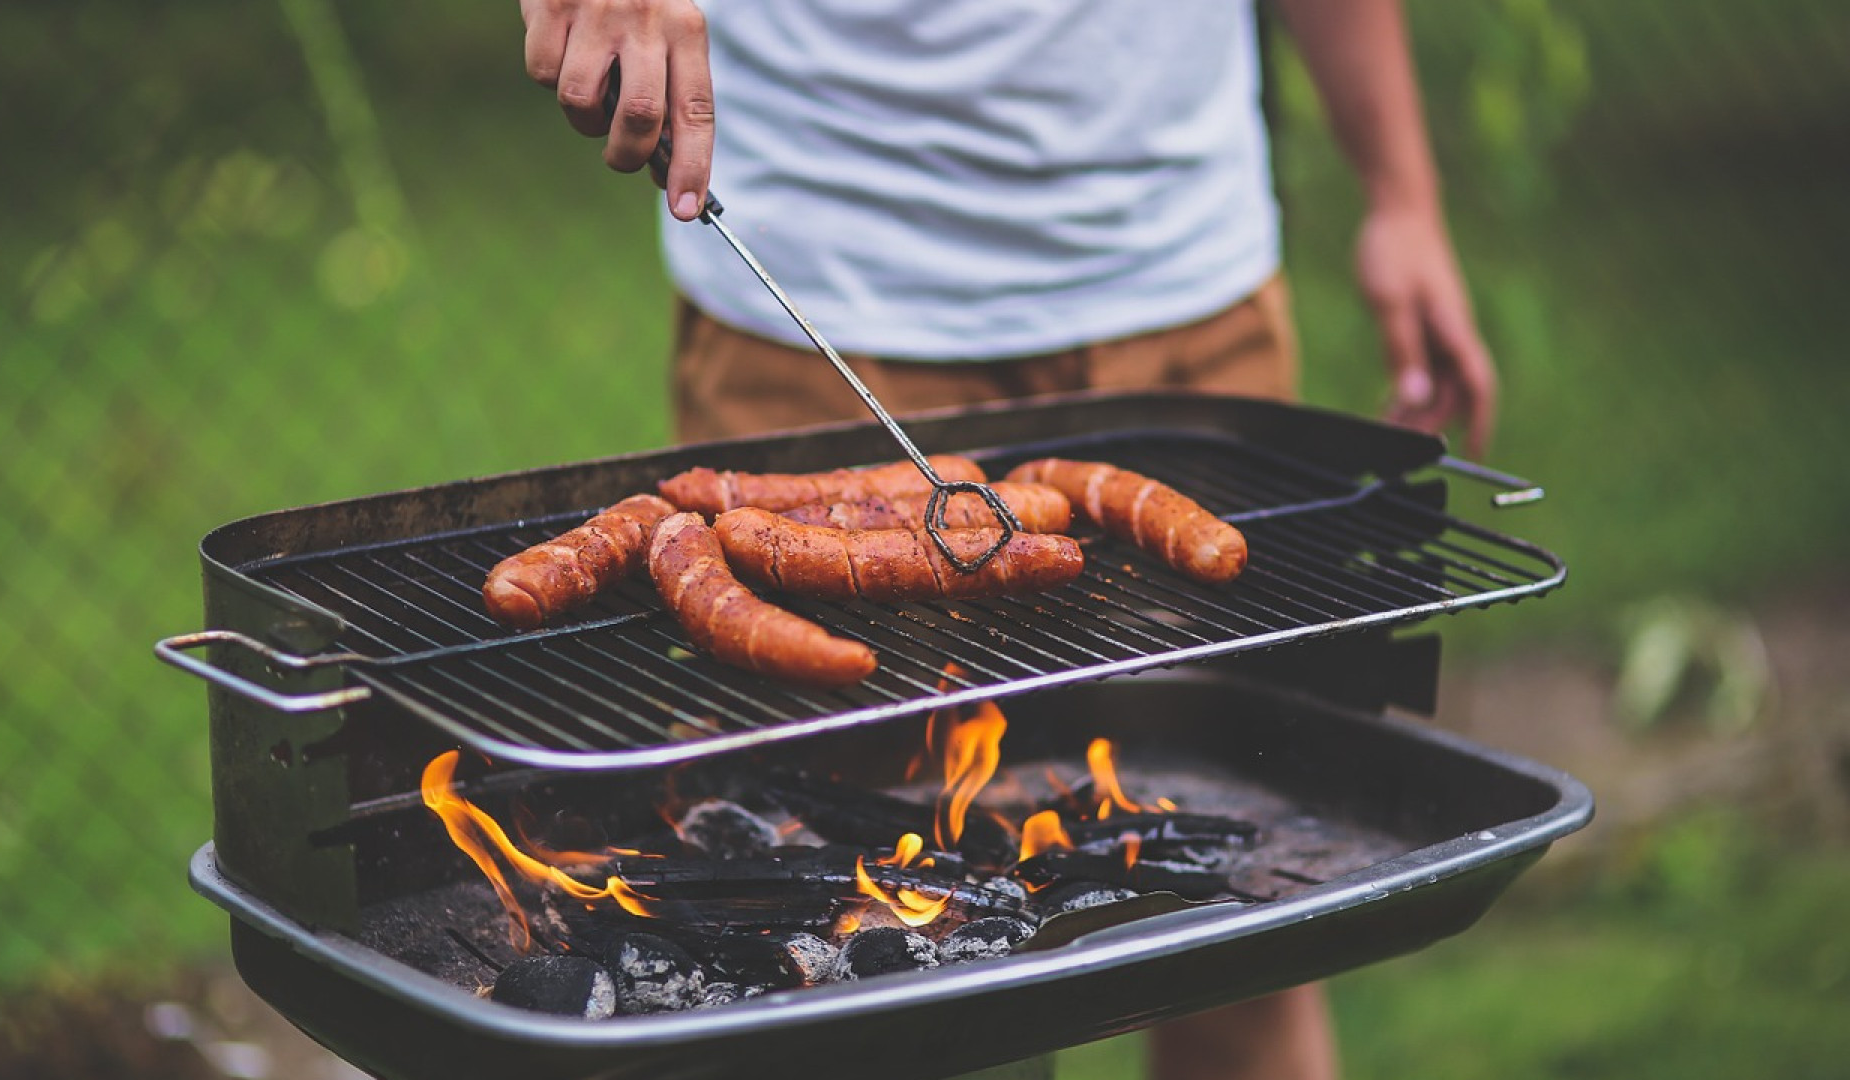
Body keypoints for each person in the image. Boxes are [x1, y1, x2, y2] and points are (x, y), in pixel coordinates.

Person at [520, 1, 1494, 1076]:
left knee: (1238, 928)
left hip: (1183, 293)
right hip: (815, 300)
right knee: (871, 969)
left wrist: (1402, 193)